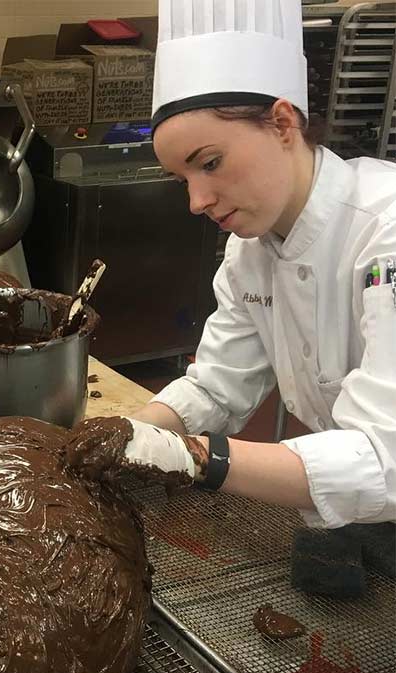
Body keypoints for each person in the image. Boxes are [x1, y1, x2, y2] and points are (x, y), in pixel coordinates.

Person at [73, 0, 396, 530]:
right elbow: (215, 388)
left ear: (282, 122)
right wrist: (127, 434)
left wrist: (200, 458)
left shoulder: (384, 230)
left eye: (210, 163)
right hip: (361, 508)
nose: (197, 201)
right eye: (183, 180)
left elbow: (384, 459)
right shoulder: (252, 252)